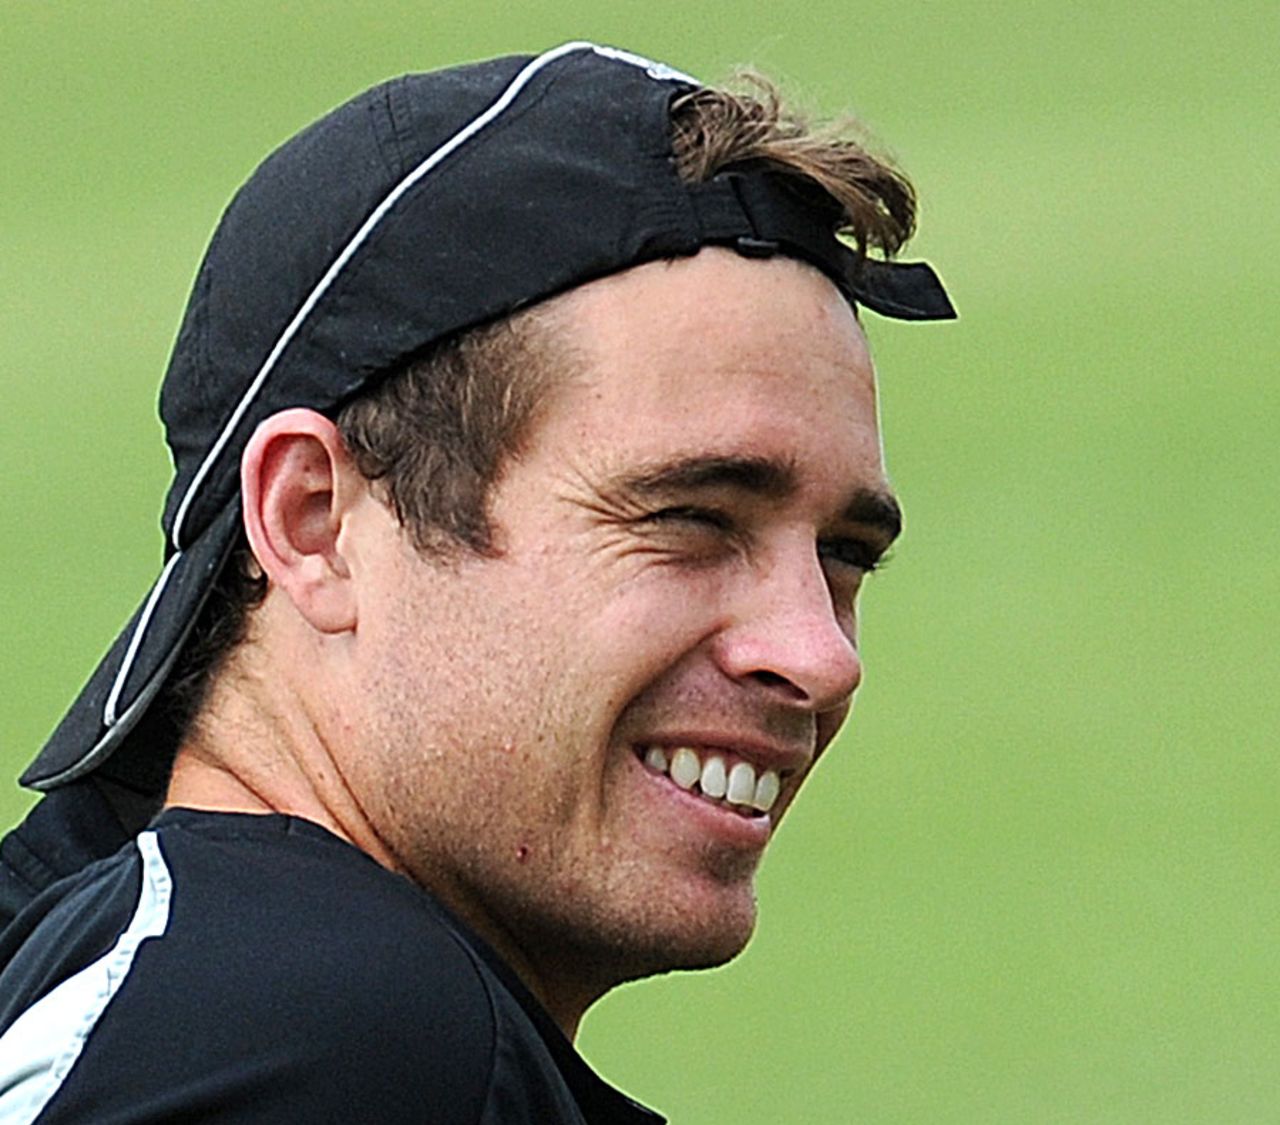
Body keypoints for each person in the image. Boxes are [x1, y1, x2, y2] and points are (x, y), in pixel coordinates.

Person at [0, 41, 953, 1123]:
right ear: (311, 524)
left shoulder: (157, 974)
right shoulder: (327, 1035)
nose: (820, 656)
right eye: (689, 520)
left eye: (842, 556)